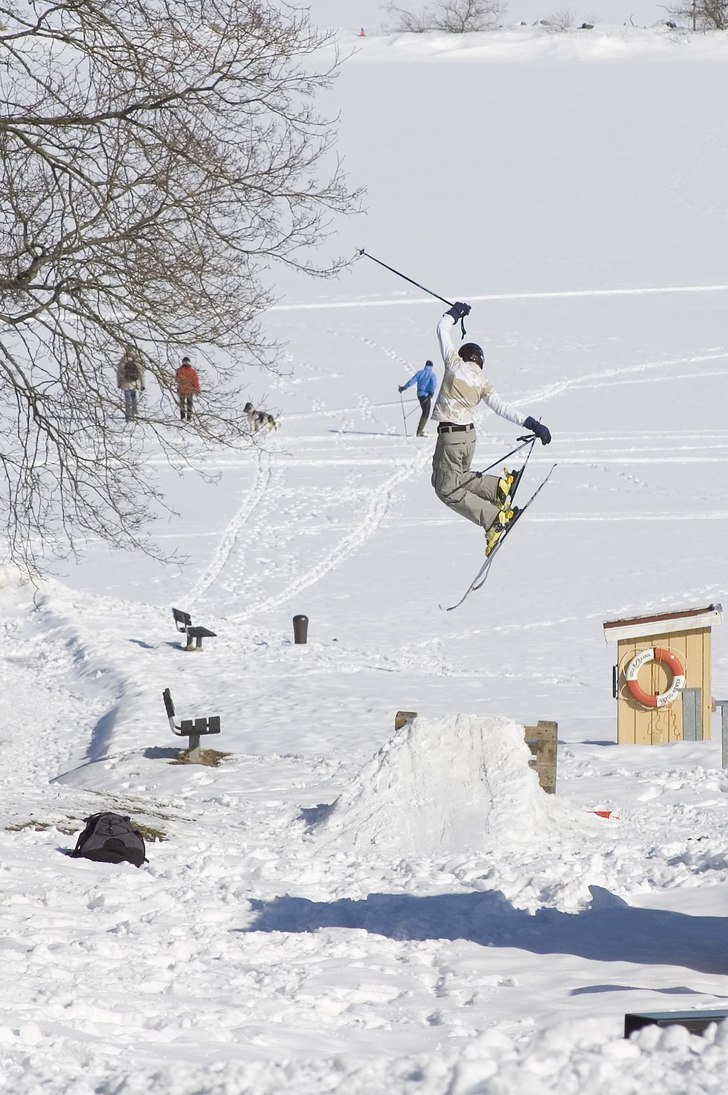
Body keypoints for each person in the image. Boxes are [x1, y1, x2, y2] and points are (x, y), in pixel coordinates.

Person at [431, 302, 552, 557]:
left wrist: (455, 313)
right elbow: (501, 407)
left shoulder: (454, 364)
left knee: (446, 490)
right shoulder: (482, 380)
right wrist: (532, 424)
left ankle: (494, 519)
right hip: (468, 439)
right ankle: (499, 489)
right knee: (455, 479)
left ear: (464, 354)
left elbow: (442, 328)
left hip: (451, 437)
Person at [398, 360, 438, 437]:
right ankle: (419, 431)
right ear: (431, 367)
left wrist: (404, 387)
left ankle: (420, 430)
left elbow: (412, 381)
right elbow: (434, 385)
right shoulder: (432, 375)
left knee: (424, 412)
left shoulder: (420, 373)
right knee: (426, 413)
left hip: (419, 394)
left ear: (425, 365)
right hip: (427, 395)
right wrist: (431, 392)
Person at [116, 347, 145, 422]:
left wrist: (119, 383)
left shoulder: (123, 361)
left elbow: (119, 373)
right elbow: (141, 373)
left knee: (127, 401)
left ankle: (128, 417)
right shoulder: (137, 360)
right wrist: (142, 384)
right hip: (134, 383)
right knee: (134, 399)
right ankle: (135, 413)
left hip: (126, 384)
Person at [175, 356, 200, 421]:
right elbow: (195, 380)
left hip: (181, 390)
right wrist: (197, 389)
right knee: (189, 404)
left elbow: (177, 380)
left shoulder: (179, 370)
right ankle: (188, 418)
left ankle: (183, 418)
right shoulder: (192, 371)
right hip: (189, 390)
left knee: (182, 405)